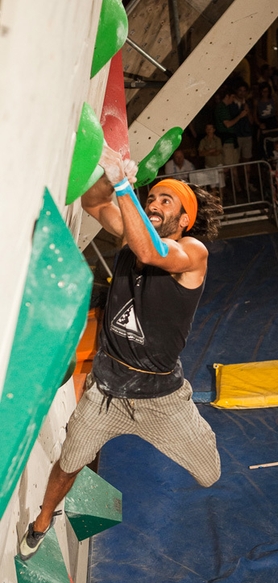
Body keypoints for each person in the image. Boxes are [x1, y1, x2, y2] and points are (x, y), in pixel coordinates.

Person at [19, 145, 223, 561]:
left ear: (184, 221)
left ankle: (196, 427)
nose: (155, 204)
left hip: (162, 400)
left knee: (209, 474)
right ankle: (42, 520)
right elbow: (95, 201)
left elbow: (152, 252)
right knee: (69, 461)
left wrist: (126, 185)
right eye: (152, 198)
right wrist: (107, 172)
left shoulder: (193, 253)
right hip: (105, 393)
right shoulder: (133, 239)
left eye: (167, 202)